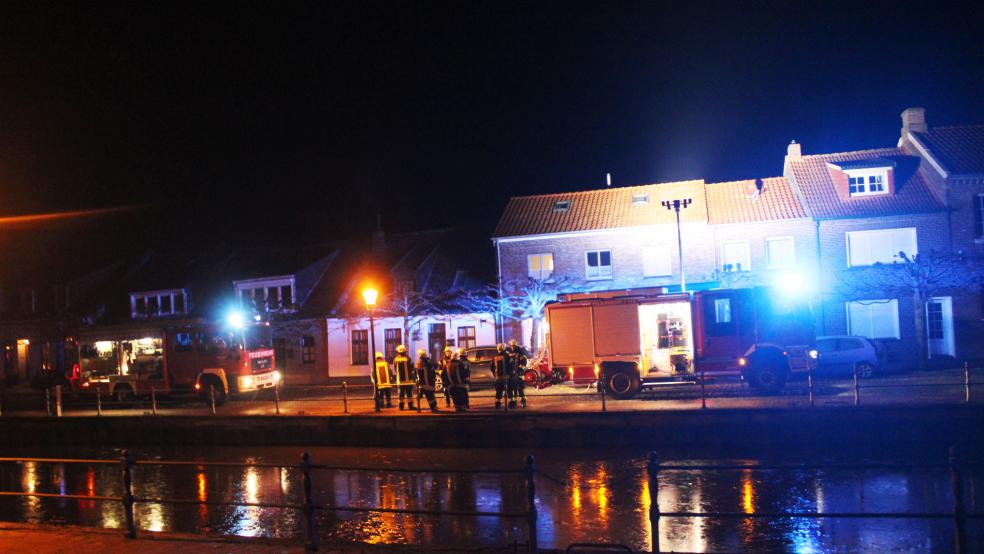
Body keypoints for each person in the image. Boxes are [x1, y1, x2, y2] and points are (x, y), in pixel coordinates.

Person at [491, 343, 513, 409]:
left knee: (498, 391)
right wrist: (511, 374)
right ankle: (511, 403)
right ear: (504, 348)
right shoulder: (508, 357)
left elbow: (492, 367)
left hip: (498, 378)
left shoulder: (495, 357)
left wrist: (495, 375)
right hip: (507, 377)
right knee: (509, 390)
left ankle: (498, 403)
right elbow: (511, 366)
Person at [507, 339, 529, 408]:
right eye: (511, 346)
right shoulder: (509, 354)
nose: (512, 347)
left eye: (513, 346)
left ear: (516, 346)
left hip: (519, 374)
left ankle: (523, 401)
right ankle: (513, 402)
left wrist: (520, 369)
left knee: (520, 389)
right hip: (512, 375)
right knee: (511, 389)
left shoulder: (521, 354)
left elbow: (524, 364)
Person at [393, 345, 415, 410]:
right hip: (408, 380)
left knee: (400, 394)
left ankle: (401, 407)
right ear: (405, 351)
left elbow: (395, 369)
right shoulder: (408, 358)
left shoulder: (395, 359)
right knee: (409, 394)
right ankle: (410, 406)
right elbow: (412, 368)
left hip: (400, 380)